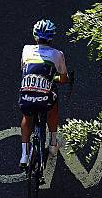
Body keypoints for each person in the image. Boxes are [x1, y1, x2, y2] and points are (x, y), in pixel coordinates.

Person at [19, 19, 69, 169]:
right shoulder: (57, 54)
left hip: (27, 93)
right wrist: (55, 79)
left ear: (35, 36)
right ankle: (53, 143)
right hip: (45, 96)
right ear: (52, 37)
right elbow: (64, 78)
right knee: (53, 108)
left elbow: (23, 69)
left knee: (27, 118)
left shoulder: (26, 49)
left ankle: (24, 155)